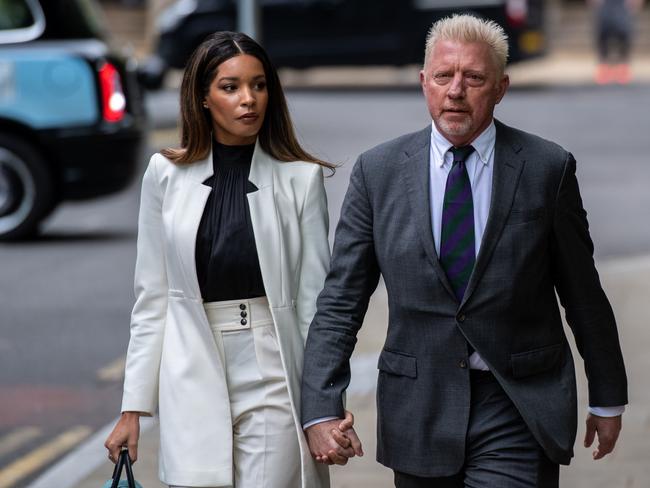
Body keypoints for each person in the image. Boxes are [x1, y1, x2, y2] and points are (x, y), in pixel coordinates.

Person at [301, 14, 628, 488]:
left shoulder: (546, 169)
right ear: (423, 83)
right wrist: (320, 407)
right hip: (420, 406)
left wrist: (607, 395)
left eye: (473, 78)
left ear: (500, 88)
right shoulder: (378, 173)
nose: (456, 90)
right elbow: (341, 301)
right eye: (443, 76)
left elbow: (582, 293)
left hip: (517, 401)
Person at [104, 31, 351, 488]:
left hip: (273, 365)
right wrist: (132, 408)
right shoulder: (165, 174)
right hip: (192, 365)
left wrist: (323, 405)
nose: (248, 100)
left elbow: (315, 304)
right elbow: (152, 299)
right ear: (202, 97)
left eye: (258, 85)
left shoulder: (301, 178)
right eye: (231, 87)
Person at [589, 0, 645, 84]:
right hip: (605, 4)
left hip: (623, 4)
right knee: (603, 33)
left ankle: (623, 67)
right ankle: (603, 67)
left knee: (624, 32)